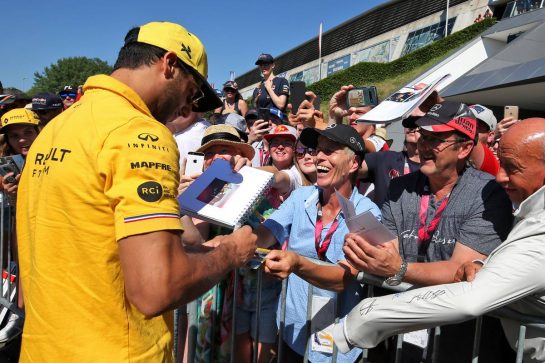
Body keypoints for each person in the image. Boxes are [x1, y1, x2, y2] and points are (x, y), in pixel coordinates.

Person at [16, 21, 257, 363]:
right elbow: (156, 288)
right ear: (169, 64)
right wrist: (231, 252)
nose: (190, 107)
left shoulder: (55, 129)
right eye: (193, 92)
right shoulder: (140, 132)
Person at [333, 118, 545, 363]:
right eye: (423, 136)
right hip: (407, 341)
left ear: (464, 148)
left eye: (435, 140)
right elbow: (386, 252)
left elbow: (470, 297)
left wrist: (363, 317)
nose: (500, 176)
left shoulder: (490, 195)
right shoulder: (401, 187)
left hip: (464, 343)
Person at [256, 124, 381, 363]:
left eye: (331, 150)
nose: (318, 156)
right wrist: (232, 240)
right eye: (318, 149)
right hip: (293, 332)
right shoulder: (300, 196)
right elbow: (266, 233)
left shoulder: (368, 214)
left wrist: (297, 263)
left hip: (337, 346)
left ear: (353, 163)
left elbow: (344, 277)